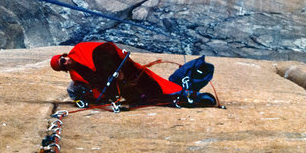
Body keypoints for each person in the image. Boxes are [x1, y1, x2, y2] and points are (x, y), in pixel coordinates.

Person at [50, 41, 217, 108]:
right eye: (62, 65)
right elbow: (93, 83)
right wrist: (102, 95)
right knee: (147, 97)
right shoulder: (75, 75)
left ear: (65, 56)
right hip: (118, 84)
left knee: (156, 86)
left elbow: (104, 50)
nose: (66, 63)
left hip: (126, 72)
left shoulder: (81, 49)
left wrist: (118, 69)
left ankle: (190, 95)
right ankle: (188, 97)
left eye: (63, 60)